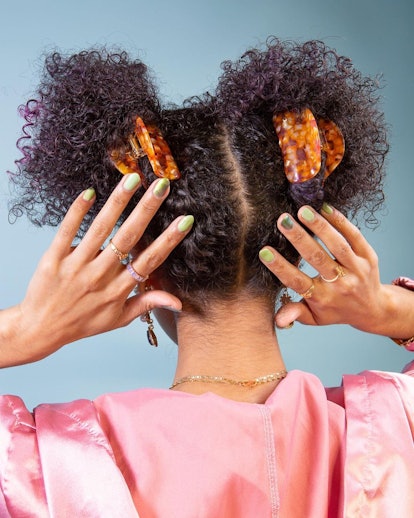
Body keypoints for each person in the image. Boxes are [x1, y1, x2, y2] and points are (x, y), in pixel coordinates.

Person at [1, 39, 413, 517]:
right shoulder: (391, 424)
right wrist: (391, 311)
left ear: (142, 262)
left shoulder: (41, 465)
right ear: (298, 257)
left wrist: (26, 329)